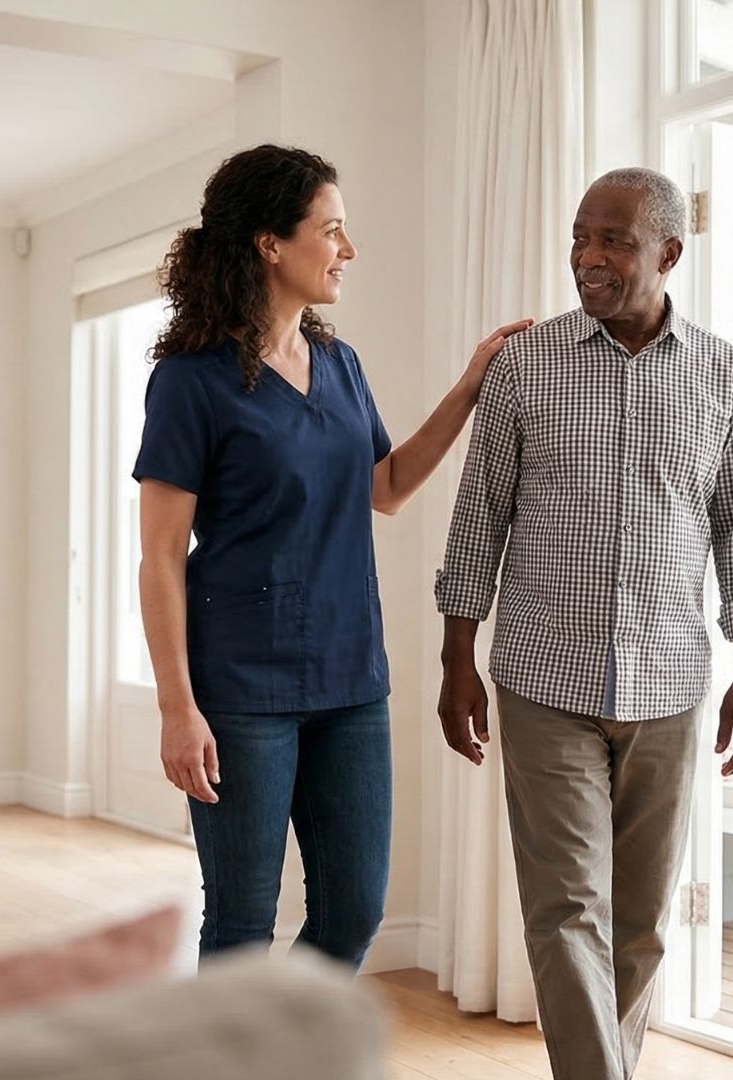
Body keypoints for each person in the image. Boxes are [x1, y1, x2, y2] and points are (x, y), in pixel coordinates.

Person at [135, 143, 529, 968]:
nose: (348, 250)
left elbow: (383, 487)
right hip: (240, 687)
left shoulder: (341, 365)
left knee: (353, 912)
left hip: (351, 678)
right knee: (242, 923)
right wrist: (178, 706)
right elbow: (162, 557)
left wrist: (468, 388)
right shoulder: (189, 381)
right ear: (270, 244)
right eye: (332, 231)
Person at [434, 166, 733, 1079]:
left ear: (668, 252)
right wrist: (455, 661)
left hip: (669, 679)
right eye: (581, 237)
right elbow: (478, 520)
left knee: (639, 924)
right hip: (547, 675)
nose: (589, 257)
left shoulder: (723, 374)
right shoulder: (526, 364)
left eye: (615, 241)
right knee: (564, 911)